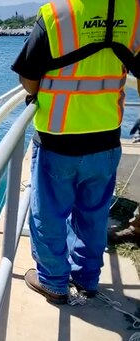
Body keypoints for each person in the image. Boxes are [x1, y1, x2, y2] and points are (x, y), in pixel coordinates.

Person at [11, 0, 140, 304]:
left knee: (49, 214)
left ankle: (54, 282)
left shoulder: (56, 14)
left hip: (59, 139)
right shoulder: (134, 13)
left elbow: (28, 78)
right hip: (106, 139)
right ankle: (86, 279)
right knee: (93, 214)